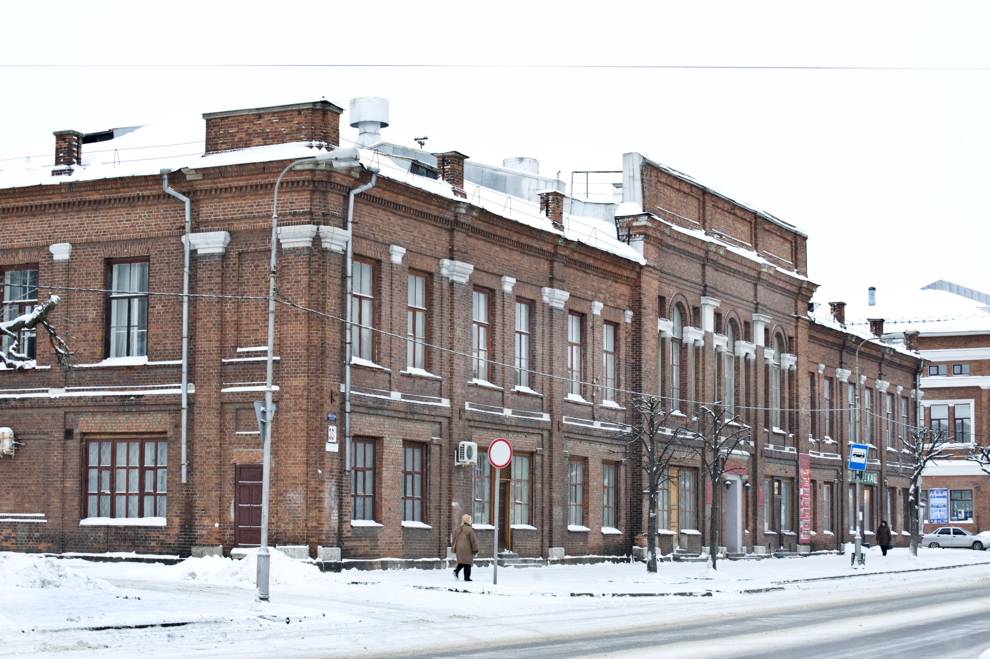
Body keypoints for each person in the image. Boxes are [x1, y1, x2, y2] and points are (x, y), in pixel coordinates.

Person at [452, 513, 479, 581]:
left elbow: (454, 538)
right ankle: (467, 577)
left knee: (462, 562)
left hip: (459, 548)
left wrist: (454, 547)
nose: (471, 521)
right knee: (467, 563)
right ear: (468, 521)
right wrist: (475, 549)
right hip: (467, 549)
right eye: (470, 519)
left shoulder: (459, 529)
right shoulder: (470, 529)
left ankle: (456, 571)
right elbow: (473, 541)